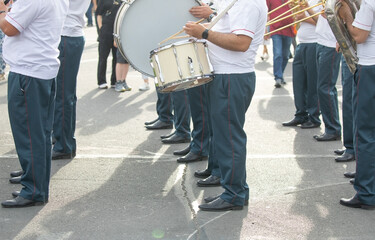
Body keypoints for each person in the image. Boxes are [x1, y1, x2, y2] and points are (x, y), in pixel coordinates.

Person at [183, 0, 267, 211]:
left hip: (232, 77)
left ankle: (235, 194)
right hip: (225, 75)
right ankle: (231, 188)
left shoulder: (247, 3)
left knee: (230, 138)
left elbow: (241, 43)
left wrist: (204, 33)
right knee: (223, 135)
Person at [0, 0, 68, 208]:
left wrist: (2, 9)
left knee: (29, 135)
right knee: (39, 134)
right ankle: (37, 185)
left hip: (28, 72)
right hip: (41, 70)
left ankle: (34, 190)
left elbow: (9, 28)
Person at [338, 0, 375, 210]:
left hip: (370, 68)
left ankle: (366, 192)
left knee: (366, 132)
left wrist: (347, 17)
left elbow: (360, 36)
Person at [52, 0, 92, 160]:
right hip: (69, 35)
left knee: (63, 95)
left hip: (67, 35)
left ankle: (64, 145)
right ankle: (62, 137)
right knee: (63, 94)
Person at [282, 0, 321, 129]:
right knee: (298, 83)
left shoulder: (321, 2)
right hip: (302, 42)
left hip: (314, 42)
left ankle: (314, 117)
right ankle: (300, 114)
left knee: (312, 83)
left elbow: (324, 23)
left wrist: (305, 16)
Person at [306, 6, 342, 141]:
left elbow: (344, 17)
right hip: (320, 42)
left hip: (330, 44)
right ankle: (331, 128)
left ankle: (333, 129)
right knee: (322, 87)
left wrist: (330, 13)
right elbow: (319, 20)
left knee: (325, 88)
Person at [266, 0, 296, 88]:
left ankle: (280, 74)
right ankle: (278, 77)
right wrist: (265, 28)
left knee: (285, 56)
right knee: (278, 54)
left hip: (289, 30)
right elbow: (265, 12)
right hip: (276, 29)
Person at [96, 0, 120, 89]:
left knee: (116, 58)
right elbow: (98, 14)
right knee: (103, 58)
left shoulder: (121, 1)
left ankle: (114, 80)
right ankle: (101, 81)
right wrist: (101, 28)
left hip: (116, 33)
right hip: (105, 33)